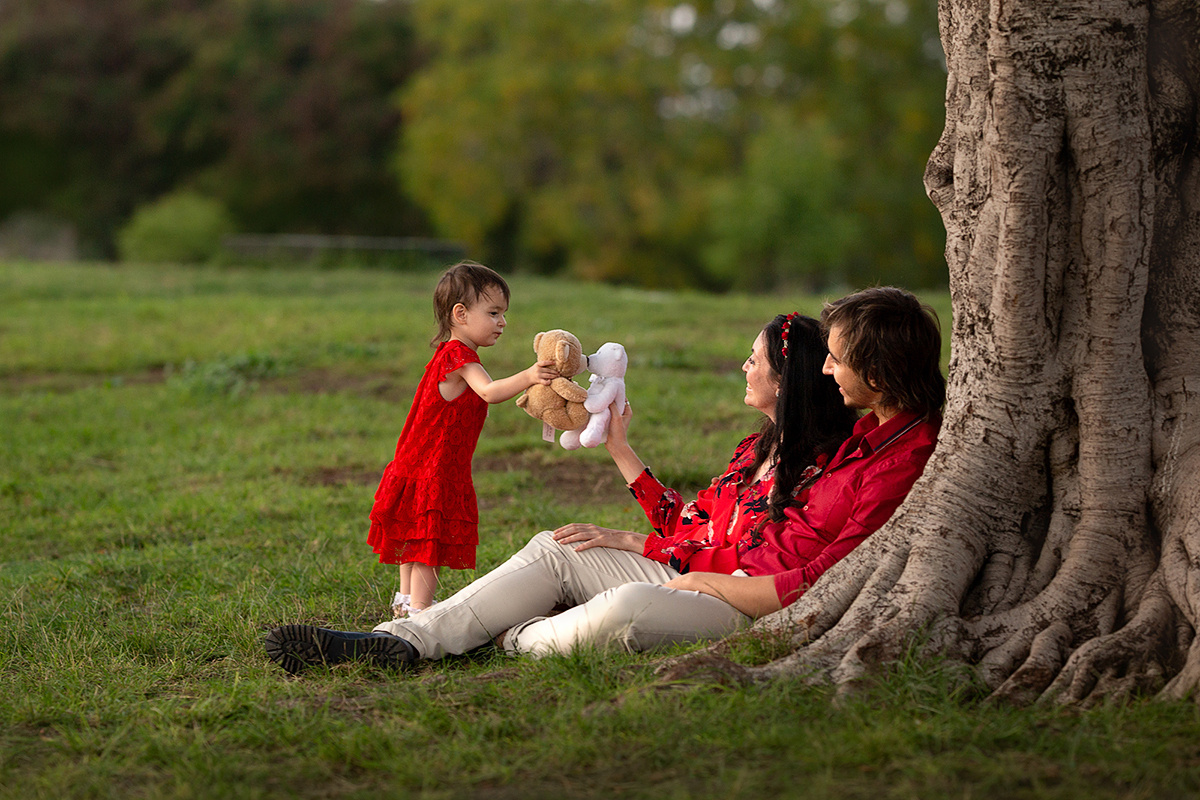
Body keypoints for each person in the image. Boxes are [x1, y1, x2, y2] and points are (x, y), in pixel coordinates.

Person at [264, 287, 944, 673]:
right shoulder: (773, 448)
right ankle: (400, 643)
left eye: (754, 360)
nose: (828, 370)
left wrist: (697, 574)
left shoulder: (877, 457)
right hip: (700, 575)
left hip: (745, 603)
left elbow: (813, 573)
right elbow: (690, 529)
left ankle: (518, 637)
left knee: (624, 611)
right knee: (559, 547)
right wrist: (622, 457)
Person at [365, 261, 557, 618]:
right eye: (494, 313)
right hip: (435, 467)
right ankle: (422, 616)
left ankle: (405, 604)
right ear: (461, 314)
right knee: (427, 544)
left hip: (418, 461)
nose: (503, 322)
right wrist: (530, 375)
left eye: (504, 314)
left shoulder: (447, 352)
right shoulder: (459, 356)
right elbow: (490, 391)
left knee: (414, 541)